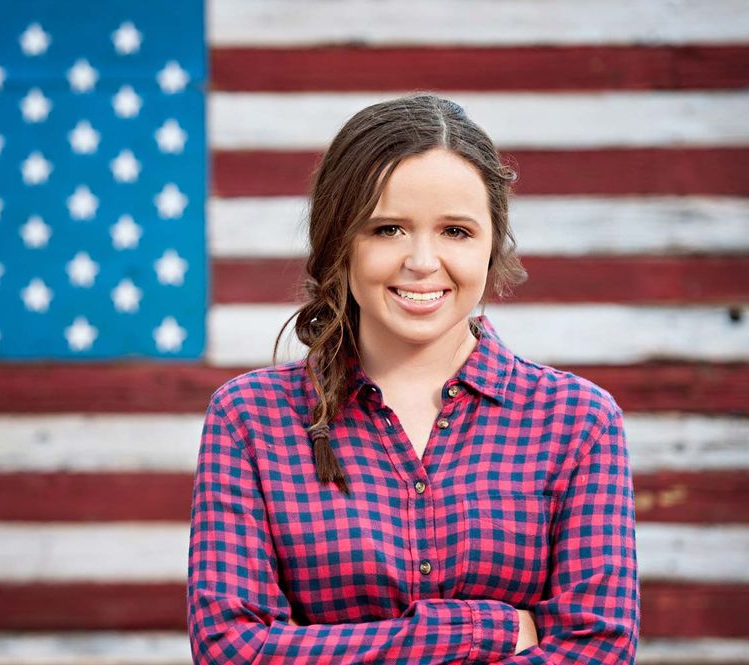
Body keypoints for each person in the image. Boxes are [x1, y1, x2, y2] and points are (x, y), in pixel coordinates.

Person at [186, 93, 639, 663]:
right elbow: (233, 649)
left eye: (455, 231)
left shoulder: (578, 421)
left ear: (492, 242)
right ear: (338, 242)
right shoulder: (250, 417)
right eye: (388, 229)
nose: (422, 261)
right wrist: (477, 632)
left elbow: (598, 649)